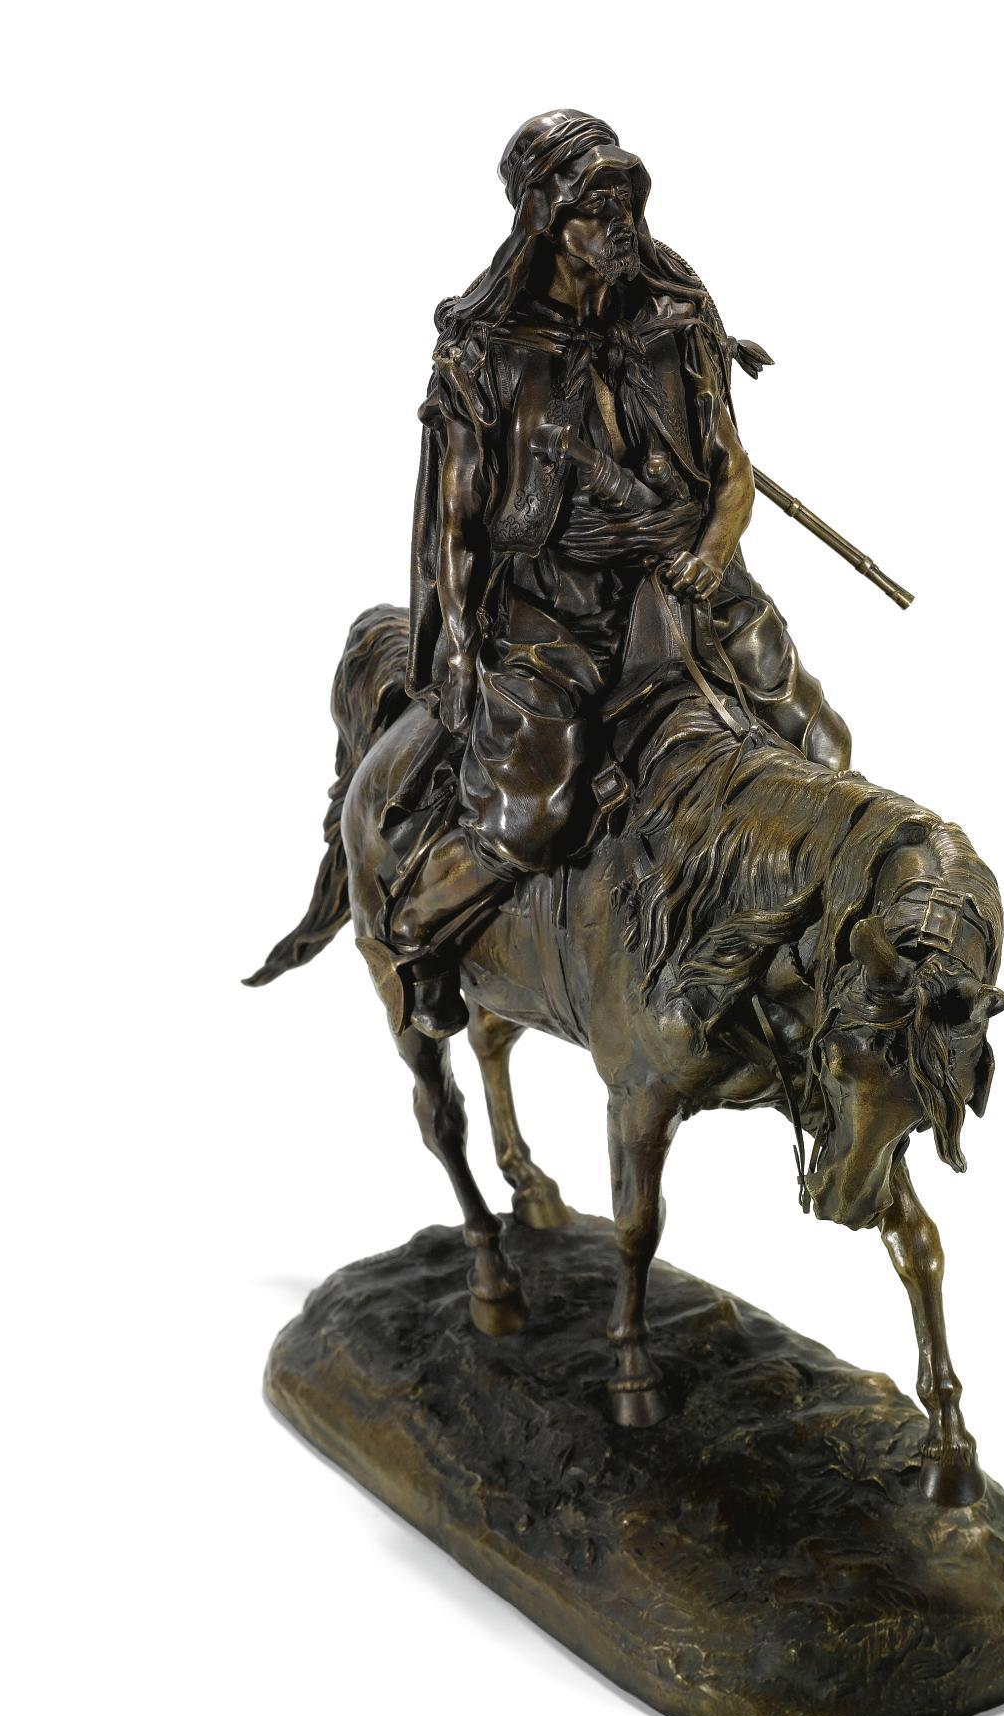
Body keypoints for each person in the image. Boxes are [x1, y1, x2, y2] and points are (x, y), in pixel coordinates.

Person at [373, 108, 852, 1037]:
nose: (620, 222)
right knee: (537, 809)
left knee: (821, 748)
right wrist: (463, 648)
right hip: (553, 605)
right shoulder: (485, 353)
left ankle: (775, 937)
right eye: (596, 207)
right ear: (545, 219)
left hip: (688, 580)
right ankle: (419, 927)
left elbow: (732, 473)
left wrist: (709, 558)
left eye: (627, 201)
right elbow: (458, 526)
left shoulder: (676, 316)